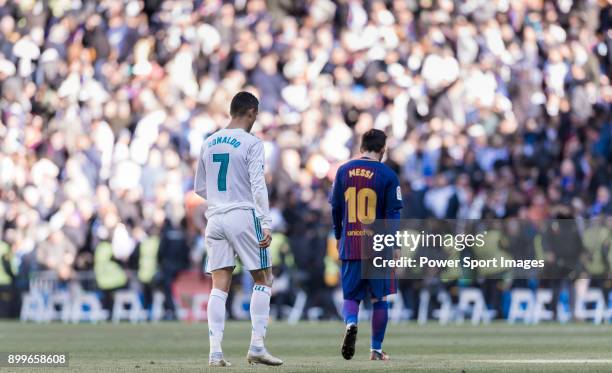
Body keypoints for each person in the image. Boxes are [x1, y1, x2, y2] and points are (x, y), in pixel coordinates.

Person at [194, 91, 283, 367]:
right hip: (242, 214)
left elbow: (199, 187)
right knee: (264, 278)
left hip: (215, 217)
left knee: (219, 285)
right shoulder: (252, 143)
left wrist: (221, 200)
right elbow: (258, 185)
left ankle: (215, 352)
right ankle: (257, 346)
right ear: (252, 112)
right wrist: (265, 222)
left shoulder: (208, 142)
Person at [330, 129, 403, 361]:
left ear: (362, 147)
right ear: (383, 149)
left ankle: (351, 323)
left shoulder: (343, 171)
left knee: (351, 297)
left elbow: (335, 208)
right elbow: (392, 214)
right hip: (378, 245)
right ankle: (376, 349)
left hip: (350, 242)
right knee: (378, 299)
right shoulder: (389, 175)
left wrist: (339, 234)